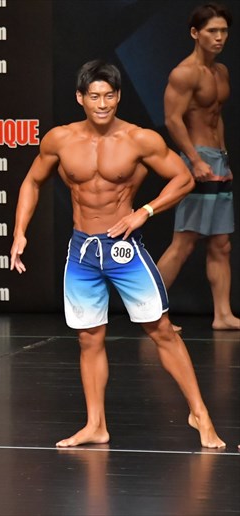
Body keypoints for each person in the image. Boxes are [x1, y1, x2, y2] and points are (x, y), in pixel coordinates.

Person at [10, 60, 225, 449]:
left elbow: (184, 178)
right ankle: (96, 425)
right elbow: (32, 181)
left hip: (123, 249)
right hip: (82, 251)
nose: (102, 104)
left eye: (109, 96)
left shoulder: (139, 139)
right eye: (94, 96)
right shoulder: (60, 140)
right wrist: (19, 232)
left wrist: (145, 211)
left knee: (161, 330)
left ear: (119, 96)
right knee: (89, 338)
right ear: (80, 98)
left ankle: (200, 414)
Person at [156, 3, 237, 330]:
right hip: (197, 159)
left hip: (217, 160)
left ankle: (223, 315)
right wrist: (195, 160)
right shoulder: (184, 73)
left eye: (224, 31)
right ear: (195, 33)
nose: (219, 38)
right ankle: (151, 314)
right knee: (184, 243)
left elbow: (217, 118)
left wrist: (223, 157)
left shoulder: (221, 72)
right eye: (212, 31)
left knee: (221, 244)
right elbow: (172, 120)